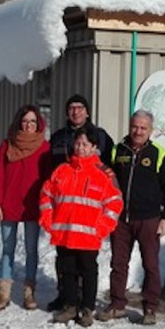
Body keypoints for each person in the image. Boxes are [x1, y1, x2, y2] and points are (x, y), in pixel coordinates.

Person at [97, 110, 165, 326]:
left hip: (149, 219)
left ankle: (150, 308)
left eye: (143, 128)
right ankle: (117, 305)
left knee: (150, 264)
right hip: (121, 219)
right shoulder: (117, 150)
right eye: (135, 126)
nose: (138, 131)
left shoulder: (159, 154)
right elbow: (106, 180)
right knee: (118, 264)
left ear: (150, 130)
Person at [39, 126, 123, 327]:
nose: (81, 148)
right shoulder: (62, 170)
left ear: (94, 147)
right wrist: (49, 221)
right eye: (78, 143)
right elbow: (46, 196)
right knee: (66, 271)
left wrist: (101, 228)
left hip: (88, 237)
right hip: (64, 234)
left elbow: (115, 203)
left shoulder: (103, 174)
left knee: (88, 272)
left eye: (86, 144)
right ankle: (69, 306)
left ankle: (87, 308)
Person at [47, 93, 114, 311]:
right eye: (72, 107)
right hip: (64, 211)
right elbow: (48, 174)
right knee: (64, 262)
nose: (76, 111)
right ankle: (66, 298)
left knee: (86, 264)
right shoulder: (58, 137)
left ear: (87, 111)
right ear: (67, 112)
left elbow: (110, 167)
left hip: (88, 209)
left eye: (80, 107)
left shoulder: (101, 136)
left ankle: (86, 304)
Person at [0, 104, 51, 311]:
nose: (28, 125)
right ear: (18, 122)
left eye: (33, 121)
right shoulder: (7, 146)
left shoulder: (44, 148)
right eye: (25, 121)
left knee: (31, 250)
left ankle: (29, 291)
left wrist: (47, 204)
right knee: (8, 248)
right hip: (9, 205)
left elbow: (49, 180)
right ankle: (4, 292)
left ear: (38, 124)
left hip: (33, 205)